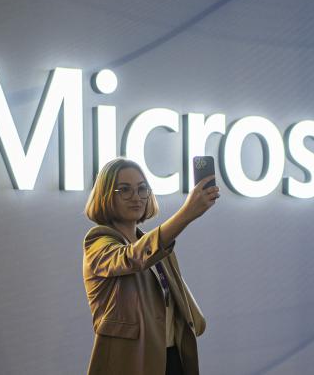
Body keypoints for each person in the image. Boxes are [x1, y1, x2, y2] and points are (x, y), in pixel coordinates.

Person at [82, 157, 219, 375]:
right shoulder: (97, 241)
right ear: (106, 196)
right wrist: (186, 214)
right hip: (131, 363)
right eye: (124, 190)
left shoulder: (156, 245)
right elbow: (131, 258)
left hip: (172, 358)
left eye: (142, 188)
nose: (136, 197)